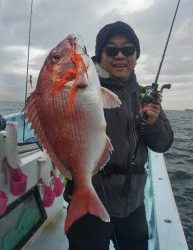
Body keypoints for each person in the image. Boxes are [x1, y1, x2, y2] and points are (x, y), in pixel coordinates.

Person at [64, 21, 174, 250]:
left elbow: (163, 144)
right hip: (89, 202)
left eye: (128, 50)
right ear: (100, 55)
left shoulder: (146, 97)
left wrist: (151, 123)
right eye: (111, 50)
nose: (120, 56)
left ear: (136, 55)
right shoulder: (80, 88)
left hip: (133, 205)